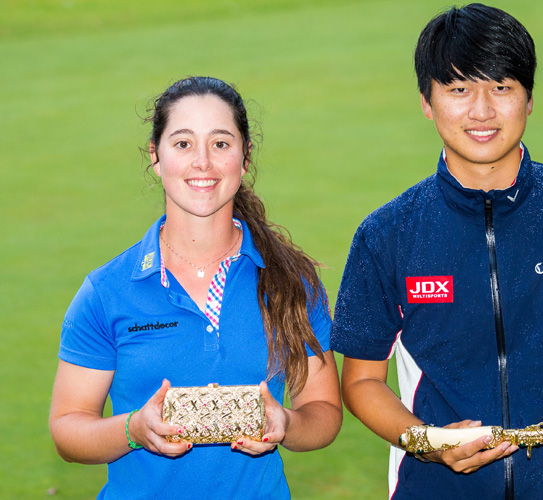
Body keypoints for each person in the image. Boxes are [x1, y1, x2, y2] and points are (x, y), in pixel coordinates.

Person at [330, 4, 543, 500]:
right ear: (427, 101)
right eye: (458, 89)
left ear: (529, 98)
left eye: (502, 87)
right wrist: (425, 441)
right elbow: (361, 380)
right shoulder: (387, 233)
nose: (482, 111)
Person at [49, 76, 342, 499]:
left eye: (220, 144)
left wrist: (286, 424)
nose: (202, 162)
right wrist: (134, 429)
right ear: (156, 156)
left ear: (244, 159)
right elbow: (67, 429)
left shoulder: (290, 282)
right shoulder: (106, 291)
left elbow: (325, 414)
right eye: (183, 144)